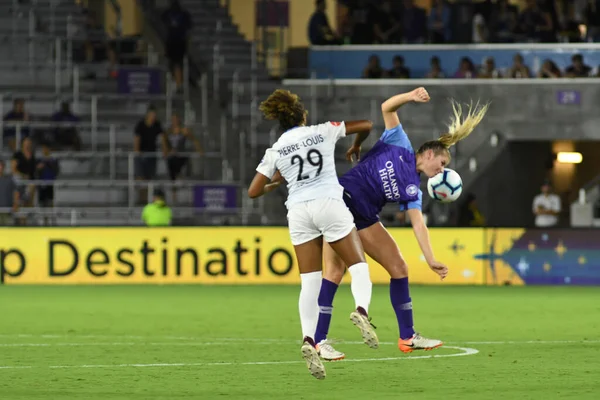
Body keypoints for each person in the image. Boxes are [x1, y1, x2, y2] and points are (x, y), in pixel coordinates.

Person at [316, 87, 488, 354]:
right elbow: (387, 107)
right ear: (429, 154)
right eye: (442, 164)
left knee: (363, 270)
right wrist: (410, 96)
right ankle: (397, 334)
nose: (440, 171)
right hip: (347, 201)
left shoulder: (414, 189)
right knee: (368, 270)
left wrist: (430, 258)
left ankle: (323, 341)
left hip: (350, 208)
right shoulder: (399, 142)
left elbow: (419, 224)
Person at [247, 89, 376, 380]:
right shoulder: (323, 131)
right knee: (358, 266)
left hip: (298, 211)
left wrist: (276, 182)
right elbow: (367, 124)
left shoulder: (277, 148)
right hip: (329, 203)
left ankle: (309, 339)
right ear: (302, 115)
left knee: (309, 282)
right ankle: (361, 311)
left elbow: (253, 191)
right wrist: (356, 145)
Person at [165, 113, 203, 201]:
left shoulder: (184, 130)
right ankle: (174, 194)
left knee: (181, 159)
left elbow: (194, 139)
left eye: (176, 119)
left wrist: (199, 150)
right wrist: (167, 151)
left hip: (181, 154)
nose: (174, 121)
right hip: (172, 156)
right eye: (173, 119)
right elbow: (165, 144)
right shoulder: (168, 132)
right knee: (171, 168)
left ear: (179, 120)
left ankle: (182, 174)